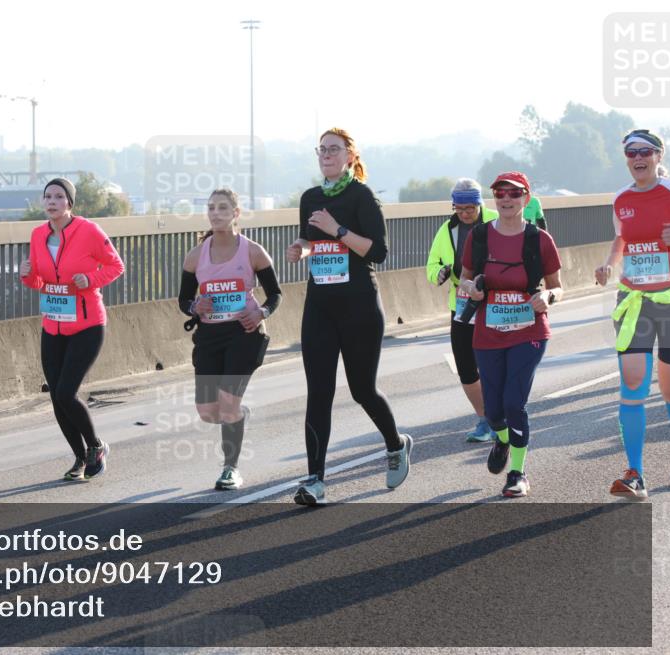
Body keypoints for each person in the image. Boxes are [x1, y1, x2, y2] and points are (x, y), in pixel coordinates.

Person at [285, 128, 414, 506]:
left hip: (359, 307)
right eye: (321, 149)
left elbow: (378, 252)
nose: (326, 154)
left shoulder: (362, 196)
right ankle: (314, 480)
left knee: (361, 390)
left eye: (333, 149)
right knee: (318, 393)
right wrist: (301, 248)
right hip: (320, 306)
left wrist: (337, 229)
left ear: (349, 156)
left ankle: (395, 444)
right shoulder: (309, 198)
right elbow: (311, 240)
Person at [459, 171, 562, 498]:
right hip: (488, 332)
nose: (506, 199)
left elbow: (558, 285)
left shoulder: (539, 239)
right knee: (493, 411)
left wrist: (547, 297)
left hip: (529, 331)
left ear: (525, 199)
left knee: (514, 402)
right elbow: (464, 279)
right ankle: (502, 439)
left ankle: (517, 473)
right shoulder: (479, 236)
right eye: (500, 193)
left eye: (514, 194)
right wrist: (471, 291)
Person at [177, 189, 282, 490]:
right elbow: (184, 300)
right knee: (209, 412)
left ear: (236, 213)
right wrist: (196, 307)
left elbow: (276, 294)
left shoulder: (252, 251)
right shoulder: (196, 255)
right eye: (211, 208)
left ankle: (230, 468)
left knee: (226, 403)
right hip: (209, 336)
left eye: (223, 208)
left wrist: (261, 313)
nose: (216, 213)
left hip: (244, 333)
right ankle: (237, 415)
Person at [20, 177, 124, 481]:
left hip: (87, 324)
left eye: (58, 196)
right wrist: (27, 276)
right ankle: (80, 458)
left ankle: (96, 446)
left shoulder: (88, 230)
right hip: (52, 326)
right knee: (56, 396)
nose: (51, 201)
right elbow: (40, 282)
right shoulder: (38, 235)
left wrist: (90, 280)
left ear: (69, 203)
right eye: (47, 196)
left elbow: (115, 266)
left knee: (66, 392)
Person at [594, 129, 670, 500]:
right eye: (631, 152)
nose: (638, 157)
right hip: (635, 299)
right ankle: (635, 473)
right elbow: (622, 237)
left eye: (645, 151)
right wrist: (609, 264)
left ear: (658, 156)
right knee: (633, 382)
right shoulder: (621, 199)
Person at [426, 178, 499, 443]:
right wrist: (441, 273)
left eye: (470, 208)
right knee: (466, 366)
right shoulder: (447, 229)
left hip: (495, 301)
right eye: (459, 208)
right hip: (461, 304)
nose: (465, 213)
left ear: (480, 204)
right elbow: (432, 264)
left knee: (491, 363)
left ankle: (499, 417)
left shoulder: (496, 220)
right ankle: (484, 419)